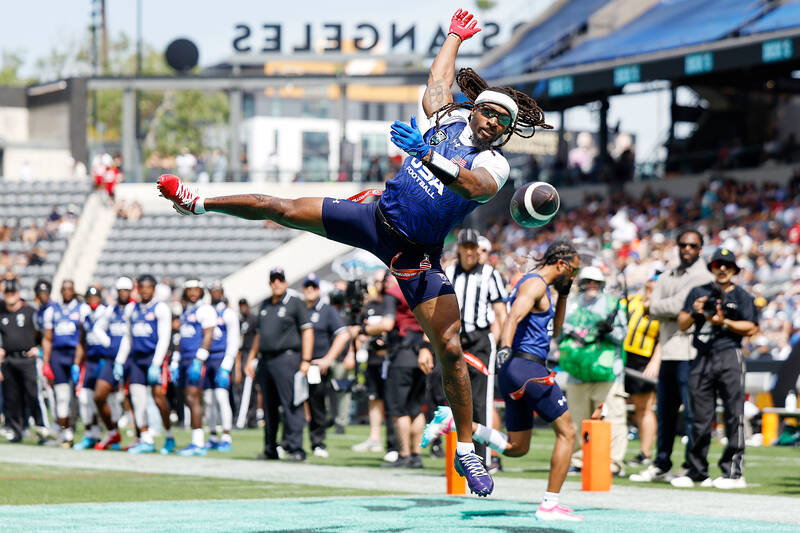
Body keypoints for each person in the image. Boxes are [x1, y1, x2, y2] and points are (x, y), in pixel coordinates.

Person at [157, 8, 551, 495]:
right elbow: (437, 82)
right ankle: (195, 203)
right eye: (489, 111)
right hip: (373, 217)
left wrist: (427, 154)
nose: (493, 121)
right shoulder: (448, 117)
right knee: (275, 205)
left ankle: (468, 449)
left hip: (416, 254)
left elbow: (471, 185)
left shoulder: (494, 163)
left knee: (450, 349)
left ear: (507, 132)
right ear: (475, 109)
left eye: (502, 120)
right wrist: (452, 36)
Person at [424, 241, 583, 521]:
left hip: (518, 370)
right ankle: (550, 504)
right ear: (561, 264)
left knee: (517, 447)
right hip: (526, 366)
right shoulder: (534, 284)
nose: (573, 276)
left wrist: (565, 295)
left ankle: (455, 423)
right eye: (573, 270)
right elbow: (511, 317)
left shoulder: (545, 289)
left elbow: (554, 330)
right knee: (568, 433)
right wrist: (505, 348)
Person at [631, 230, 714, 483]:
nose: (687, 248)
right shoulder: (668, 273)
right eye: (683, 244)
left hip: (690, 352)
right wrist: (661, 305)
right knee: (664, 413)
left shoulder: (704, 277)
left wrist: (657, 305)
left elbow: (674, 306)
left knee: (691, 413)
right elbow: (659, 307)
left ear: (700, 248)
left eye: (693, 245)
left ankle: (693, 468)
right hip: (668, 350)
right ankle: (661, 464)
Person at [673, 248, 758, 489]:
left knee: (733, 413)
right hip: (702, 355)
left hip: (729, 353)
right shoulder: (699, 292)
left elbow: (751, 327)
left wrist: (725, 322)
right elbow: (681, 324)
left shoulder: (742, 296)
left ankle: (733, 471)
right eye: (718, 264)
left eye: (727, 265)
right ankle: (696, 470)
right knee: (699, 416)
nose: (722, 269)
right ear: (711, 268)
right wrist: (695, 310)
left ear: (734, 270)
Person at [442, 228, 507, 469]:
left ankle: (485, 459)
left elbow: (501, 313)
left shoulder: (490, 274)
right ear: (459, 248)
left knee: (481, 402)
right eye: (465, 247)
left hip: (481, 341)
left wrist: (497, 342)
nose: (469, 252)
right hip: (455, 341)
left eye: (473, 247)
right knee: (456, 397)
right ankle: (460, 458)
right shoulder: (449, 272)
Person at [558, 266, 628, 477]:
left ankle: (613, 462)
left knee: (612, 419)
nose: (591, 286)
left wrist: (609, 331)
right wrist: (572, 334)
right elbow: (559, 332)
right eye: (587, 282)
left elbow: (622, 335)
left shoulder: (611, 304)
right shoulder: (571, 305)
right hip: (577, 371)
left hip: (607, 373)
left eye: (595, 282)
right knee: (578, 420)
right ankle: (579, 460)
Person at [245, 268, 313, 462]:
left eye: (280, 280)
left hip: (288, 358)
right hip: (266, 360)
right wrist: (251, 357)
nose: (277, 283)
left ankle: (296, 448)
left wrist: (306, 360)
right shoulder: (266, 304)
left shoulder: (295, 302)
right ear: (270, 283)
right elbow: (259, 334)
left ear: (285, 282)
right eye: (273, 280)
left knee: (291, 404)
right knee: (268, 407)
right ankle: (270, 448)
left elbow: (307, 331)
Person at [113, 274, 175, 454]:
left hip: (153, 358)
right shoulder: (132, 309)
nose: (145, 290)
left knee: (158, 398)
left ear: (154, 289)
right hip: (136, 359)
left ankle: (169, 435)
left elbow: (164, 338)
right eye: (142, 287)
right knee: (137, 399)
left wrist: (156, 363)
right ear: (137, 289)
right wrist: (119, 360)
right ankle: (145, 438)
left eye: (149, 287)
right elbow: (128, 337)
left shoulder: (161, 308)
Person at [302, 273, 351, 457]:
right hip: (297, 364)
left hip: (315, 365)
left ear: (318, 289)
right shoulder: (299, 308)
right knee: (292, 404)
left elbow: (343, 334)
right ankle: (288, 442)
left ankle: (318, 443)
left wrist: (328, 359)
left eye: (313, 286)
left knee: (317, 404)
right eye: (307, 286)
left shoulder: (326, 310)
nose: (309, 290)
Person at [351, 270, 397, 457]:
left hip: (391, 358)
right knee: (373, 399)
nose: (380, 284)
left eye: (383, 280)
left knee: (393, 401)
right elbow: (358, 330)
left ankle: (394, 443)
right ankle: (375, 437)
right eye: (377, 281)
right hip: (373, 359)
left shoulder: (393, 302)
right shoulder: (370, 306)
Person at [41, 279, 90, 447]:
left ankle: (91, 432)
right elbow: (47, 338)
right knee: (61, 397)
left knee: (81, 396)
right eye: (64, 289)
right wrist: (46, 362)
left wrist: (77, 361)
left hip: (75, 355)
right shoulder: (52, 311)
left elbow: (83, 338)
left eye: (70, 289)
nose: (67, 292)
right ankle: (65, 432)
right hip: (58, 355)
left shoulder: (82, 309)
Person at [173, 279, 216, 456]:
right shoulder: (186, 310)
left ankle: (198, 442)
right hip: (184, 358)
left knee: (193, 398)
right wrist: (176, 360)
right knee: (188, 398)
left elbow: (209, 335)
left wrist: (200, 359)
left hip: (195, 359)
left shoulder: (205, 309)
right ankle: (196, 440)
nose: (192, 293)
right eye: (189, 290)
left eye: (195, 290)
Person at [0, 278, 46, 443]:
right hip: (9, 360)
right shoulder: (1, 311)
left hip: (27, 359)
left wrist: (38, 348)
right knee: (12, 397)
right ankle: (16, 430)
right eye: (7, 293)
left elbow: (44, 332)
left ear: (18, 294)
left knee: (32, 394)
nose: (10, 296)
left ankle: (41, 428)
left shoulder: (30, 312)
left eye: (13, 292)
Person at [92, 277, 133, 450]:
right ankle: (112, 432)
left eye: (126, 290)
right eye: (120, 290)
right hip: (112, 359)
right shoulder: (112, 310)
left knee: (134, 399)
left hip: (131, 359)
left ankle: (141, 436)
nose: (123, 293)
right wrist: (108, 342)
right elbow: (97, 327)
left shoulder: (134, 309)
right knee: (99, 396)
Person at [72, 286, 112, 450]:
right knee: (85, 398)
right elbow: (82, 341)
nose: (93, 301)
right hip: (90, 361)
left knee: (105, 399)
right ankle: (91, 434)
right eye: (90, 297)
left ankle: (110, 433)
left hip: (105, 359)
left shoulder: (107, 313)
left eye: (95, 297)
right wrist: (76, 363)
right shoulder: (86, 315)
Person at [204, 282, 239, 451]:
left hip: (220, 359)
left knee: (221, 397)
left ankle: (226, 435)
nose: (215, 293)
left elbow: (234, 340)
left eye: (217, 290)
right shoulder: (206, 311)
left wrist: (227, 364)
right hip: (207, 358)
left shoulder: (228, 314)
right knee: (208, 400)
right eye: (213, 290)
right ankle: (212, 434)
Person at [234, 298, 259, 428]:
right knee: (244, 388)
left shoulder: (254, 319)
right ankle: (244, 418)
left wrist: (253, 358)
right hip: (243, 354)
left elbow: (257, 337)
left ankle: (248, 419)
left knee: (250, 388)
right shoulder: (239, 320)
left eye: (244, 305)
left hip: (251, 355)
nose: (243, 308)